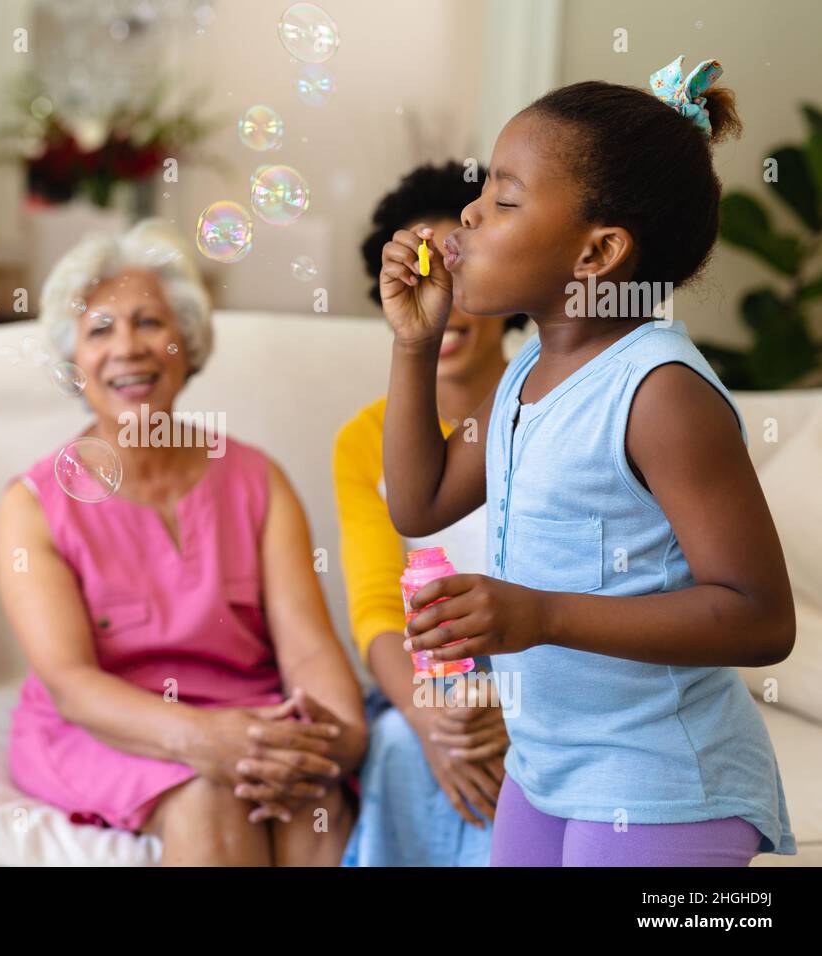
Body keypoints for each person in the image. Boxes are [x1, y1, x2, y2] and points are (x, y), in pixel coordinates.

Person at [381, 57, 796, 864]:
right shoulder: (524, 375)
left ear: (597, 253)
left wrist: (542, 615)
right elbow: (419, 501)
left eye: (503, 199)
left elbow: (761, 617)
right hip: (546, 772)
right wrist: (414, 344)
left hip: (662, 784)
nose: (469, 211)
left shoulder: (660, 394)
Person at [0, 220, 367, 865]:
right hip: (107, 726)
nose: (128, 348)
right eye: (99, 330)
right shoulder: (33, 504)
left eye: (150, 323)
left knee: (319, 804)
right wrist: (205, 740)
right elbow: (72, 684)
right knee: (207, 796)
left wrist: (338, 739)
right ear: (73, 363)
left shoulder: (257, 478)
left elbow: (306, 647)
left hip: (252, 714)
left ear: (187, 344)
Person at [335, 161, 527, 866]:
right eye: (419, 279)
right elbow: (379, 607)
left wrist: (517, 706)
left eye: (453, 273)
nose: (440, 303)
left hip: (546, 664)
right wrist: (426, 718)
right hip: (430, 679)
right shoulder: (364, 441)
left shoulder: (550, 400)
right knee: (393, 741)